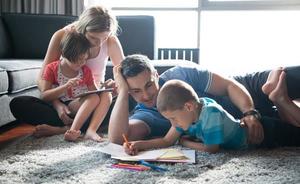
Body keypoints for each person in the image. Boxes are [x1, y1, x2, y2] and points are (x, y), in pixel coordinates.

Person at [108, 54, 300, 148]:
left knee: (289, 77)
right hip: (239, 126)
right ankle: (281, 103)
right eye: (136, 91)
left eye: (149, 85)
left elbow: (229, 86)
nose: (146, 96)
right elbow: (117, 140)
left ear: (156, 75)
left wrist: (249, 112)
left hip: (246, 92)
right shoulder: (145, 114)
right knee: (289, 129)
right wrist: (123, 92)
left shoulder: (181, 73)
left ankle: (279, 98)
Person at [10, 5, 124, 138]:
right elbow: (42, 80)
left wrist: (116, 85)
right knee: (19, 103)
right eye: (93, 38)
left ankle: (64, 129)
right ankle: (82, 126)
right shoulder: (62, 36)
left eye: (104, 38)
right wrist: (57, 104)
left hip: (95, 100)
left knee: (127, 99)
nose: (99, 44)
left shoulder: (111, 41)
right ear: (83, 28)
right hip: (64, 101)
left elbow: (125, 76)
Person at [123, 79, 300, 155]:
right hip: (256, 135)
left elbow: (211, 149)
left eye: (174, 119)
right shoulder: (186, 115)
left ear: (188, 106)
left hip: (264, 133)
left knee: (296, 134)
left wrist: (185, 143)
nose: (172, 123)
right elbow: (166, 141)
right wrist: (139, 145)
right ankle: (281, 100)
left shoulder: (211, 114)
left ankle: (281, 98)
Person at [41, 31, 103, 141]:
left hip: (82, 107)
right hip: (66, 107)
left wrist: (104, 88)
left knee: (99, 99)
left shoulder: (85, 71)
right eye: (78, 60)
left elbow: (94, 92)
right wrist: (65, 87)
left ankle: (66, 129)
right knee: (21, 102)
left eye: (84, 59)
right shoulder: (52, 68)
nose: (82, 63)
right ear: (65, 54)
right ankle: (74, 130)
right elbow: (44, 96)